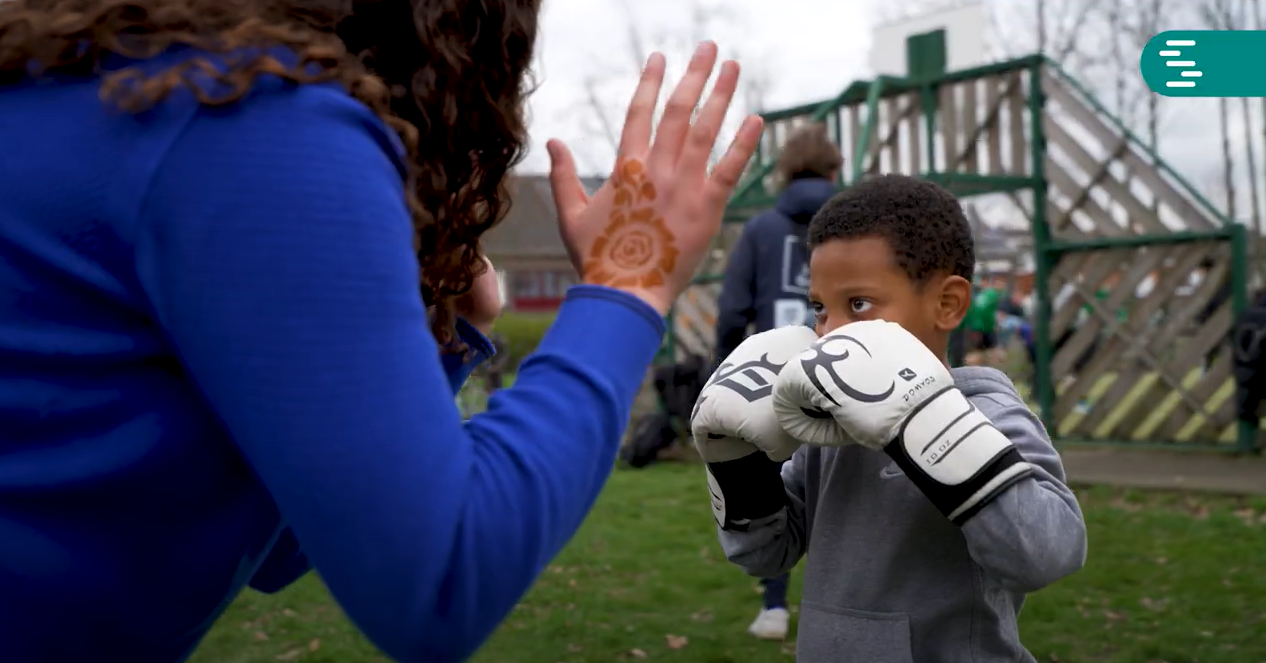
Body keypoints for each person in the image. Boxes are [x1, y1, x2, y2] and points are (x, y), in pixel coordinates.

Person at [0, 1, 765, 660]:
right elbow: (439, 584)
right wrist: (628, 284)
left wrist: (448, 334)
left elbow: (296, 533)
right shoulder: (247, 111)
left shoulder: (116, 81)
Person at [692, 174, 1087, 662]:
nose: (831, 330)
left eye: (858, 304)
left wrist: (932, 424)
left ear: (947, 304)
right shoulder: (824, 431)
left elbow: (1046, 555)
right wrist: (738, 465)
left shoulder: (987, 412)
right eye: (820, 308)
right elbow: (765, 554)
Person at [712, 122, 841, 640]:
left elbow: (730, 312)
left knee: (777, 487)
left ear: (784, 173)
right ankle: (856, 603)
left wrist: (725, 377)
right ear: (834, 170)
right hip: (850, 370)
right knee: (848, 478)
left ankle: (775, 605)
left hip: (775, 379)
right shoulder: (857, 223)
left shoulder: (761, 231)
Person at [965, 274, 1002, 366]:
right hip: (986, 326)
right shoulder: (990, 294)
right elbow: (986, 311)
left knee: (979, 351)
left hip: (977, 326)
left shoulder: (978, 295)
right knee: (990, 351)